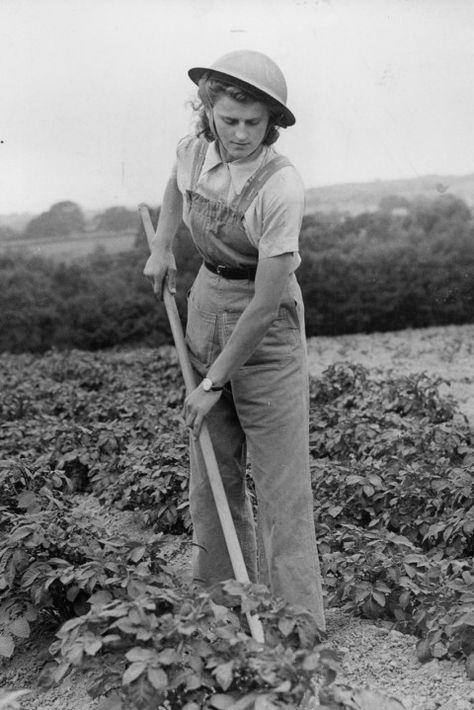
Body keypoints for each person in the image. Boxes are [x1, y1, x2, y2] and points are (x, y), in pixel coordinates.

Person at [143, 49, 326, 632]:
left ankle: (298, 629)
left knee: (281, 486)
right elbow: (174, 190)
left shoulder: (280, 187)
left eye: (255, 123)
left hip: (263, 329)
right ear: (208, 112)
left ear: (272, 121)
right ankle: (225, 611)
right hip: (204, 304)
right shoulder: (193, 150)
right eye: (229, 120)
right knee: (211, 470)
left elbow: (265, 305)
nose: (242, 134)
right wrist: (163, 246)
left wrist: (213, 382)